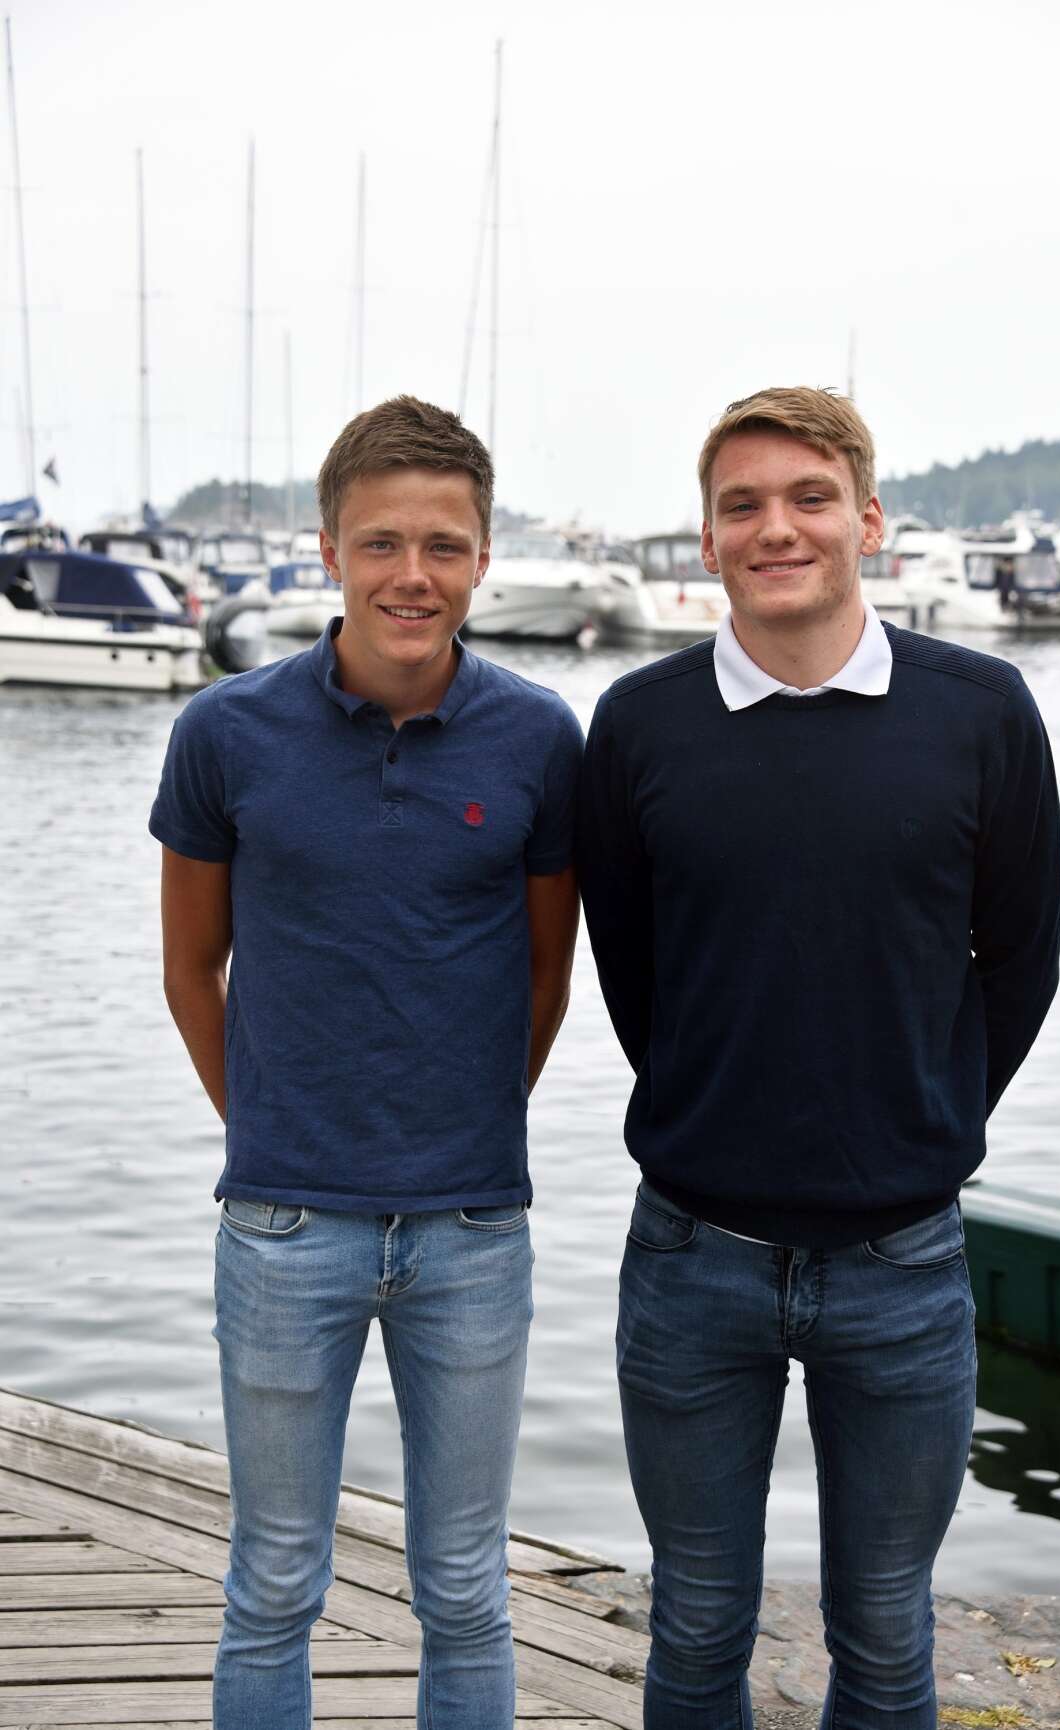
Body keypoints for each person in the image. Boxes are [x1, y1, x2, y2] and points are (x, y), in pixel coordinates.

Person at [577, 386, 1060, 1730]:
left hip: (902, 1262)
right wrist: (718, 1097)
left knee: (889, 1636)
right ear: (707, 538)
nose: (776, 527)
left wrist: (924, 1114)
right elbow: (632, 968)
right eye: (742, 505)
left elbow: (1020, 960)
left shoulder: (981, 712)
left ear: (870, 519)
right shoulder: (639, 725)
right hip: (692, 1256)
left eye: (809, 497)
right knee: (694, 1628)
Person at [150, 395, 583, 1730]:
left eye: (444, 545)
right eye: (383, 542)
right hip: (284, 1225)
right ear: (330, 547)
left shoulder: (539, 739)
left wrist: (462, 1123)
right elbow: (192, 968)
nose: (414, 574)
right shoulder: (225, 733)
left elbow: (547, 975)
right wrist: (269, 1127)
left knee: (466, 1585)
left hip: (474, 1226)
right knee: (274, 1579)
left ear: (483, 556)